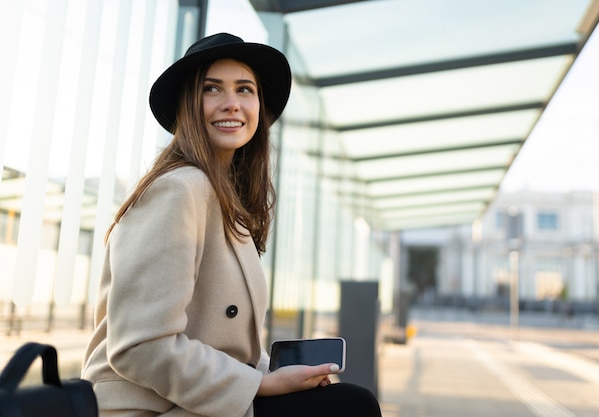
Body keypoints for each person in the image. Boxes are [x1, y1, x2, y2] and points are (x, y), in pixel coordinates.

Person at [81, 32, 382, 417]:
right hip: (150, 408)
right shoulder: (179, 190)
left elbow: (219, 344)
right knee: (352, 407)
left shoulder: (224, 199)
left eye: (244, 90)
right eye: (212, 89)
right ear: (189, 104)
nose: (231, 105)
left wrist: (277, 375)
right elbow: (141, 346)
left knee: (343, 402)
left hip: (196, 401)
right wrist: (262, 383)